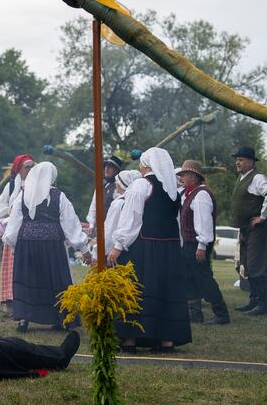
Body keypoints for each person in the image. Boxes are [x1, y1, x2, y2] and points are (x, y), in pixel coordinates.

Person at [108, 147, 191, 353]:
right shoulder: (173, 190)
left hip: (145, 248)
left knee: (136, 290)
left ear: (146, 165)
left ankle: (129, 340)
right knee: (166, 291)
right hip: (169, 249)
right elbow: (177, 223)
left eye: (141, 163)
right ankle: (166, 341)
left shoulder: (141, 184)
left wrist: (118, 246)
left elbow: (131, 219)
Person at [3, 162, 91, 332]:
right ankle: (59, 319)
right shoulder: (59, 196)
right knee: (55, 280)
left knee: (29, 279)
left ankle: (24, 319)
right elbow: (70, 224)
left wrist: (15, 246)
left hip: (27, 244)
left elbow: (14, 224)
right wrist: (83, 249)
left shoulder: (23, 196)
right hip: (51, 247)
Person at [177, 160, 230, 325]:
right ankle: (195, 313)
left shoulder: (201, 195)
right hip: (189, 244)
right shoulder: (190, 193)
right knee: (189, 278)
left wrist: (201, 246)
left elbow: (204, 223)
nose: (182, 178)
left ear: (193, 176)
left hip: (196, 244)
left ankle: (221, 314)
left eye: (184, 174)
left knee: (204, 279)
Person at [230, 147, 267, 317]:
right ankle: (254, 301)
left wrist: (262, 217)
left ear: (251, 162)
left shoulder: (257, 178)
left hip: (257, 228)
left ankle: (263, 305)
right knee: (248, 264)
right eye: (237, 159)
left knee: (255, 265)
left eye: (241, 159)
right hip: (246, 228)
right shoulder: (242, 178)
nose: (237, 162)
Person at [0, 154, 34, 315]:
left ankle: (29, 300)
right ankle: (9, 301)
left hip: (31, 231)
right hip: (14, 232)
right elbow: (0, 207)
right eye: (27, 166)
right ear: (19, 169)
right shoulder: (11, 186)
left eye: (32, 166)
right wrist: (9, 214)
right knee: (11, 268)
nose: (30, 169)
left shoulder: (38, 184)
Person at [95, 170, 142, 263]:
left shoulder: (119, 203)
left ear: (122, 184)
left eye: (118, 181)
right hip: (136, 250)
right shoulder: (139, 201)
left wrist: (99, 253)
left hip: (117, 253)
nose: (116, 183)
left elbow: (109, 229)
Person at [86, 155, 123, 236]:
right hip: (100, 230)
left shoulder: (120, 187)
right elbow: (93, 207)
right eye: (106, 166)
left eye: (110, 167)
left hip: (114, 231)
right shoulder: (101, 186)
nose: (106, 169)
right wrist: (91, 224)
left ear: (116, 170)